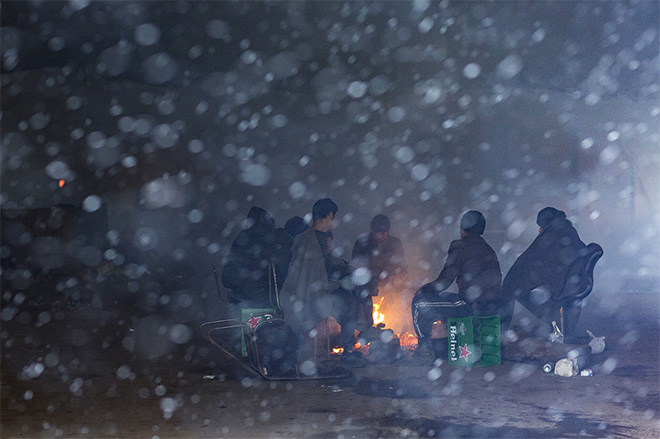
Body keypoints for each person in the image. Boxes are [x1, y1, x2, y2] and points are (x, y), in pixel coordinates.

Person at [280, 198, 363, 367]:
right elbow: (316, 274)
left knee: (351, 296)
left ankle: (351, 345)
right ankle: (348, 350)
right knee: (350, 303)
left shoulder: (317, 237)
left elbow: (325, 266)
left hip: (319, 290)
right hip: (312, 295)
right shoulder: (308, 240)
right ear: (329, 215)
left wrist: (344, 267)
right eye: (333, 216)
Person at [411, 211, 503, 358]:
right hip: (492, 305)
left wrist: (423, 289)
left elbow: (444, 282)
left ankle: (424, 348)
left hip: (470, 305)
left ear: (463, 230)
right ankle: (443, 346)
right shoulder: (488, 248)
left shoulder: (460, 246)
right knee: (443, 303)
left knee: (419, 303)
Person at [500, 207, 591, 335]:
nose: (539, 230)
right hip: (570, 282)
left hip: (560, 284)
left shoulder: (552, 234)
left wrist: (518, 277)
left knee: (512, 285)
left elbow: (532, 261)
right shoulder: (567, 230)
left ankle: (501, 331)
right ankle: (553, 326)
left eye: (541, 226)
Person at [351, 214, 407, 331]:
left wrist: (393, 279)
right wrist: (372, 280)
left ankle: (402, 328)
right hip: (368, 282)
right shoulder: (362, 244)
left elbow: (402, 267)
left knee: (404, 293)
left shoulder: (395, 243)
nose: (382, 236)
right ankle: (367, 327)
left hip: (390, 282)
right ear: (372, 231)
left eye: (385, 233)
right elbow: (356, 269)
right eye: (379, 233)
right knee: (362, 293)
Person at [221, 206, 282, 311]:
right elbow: (258, 270)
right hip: (254, 299)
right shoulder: (258, 241)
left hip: (242, 295)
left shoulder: (244, 238)